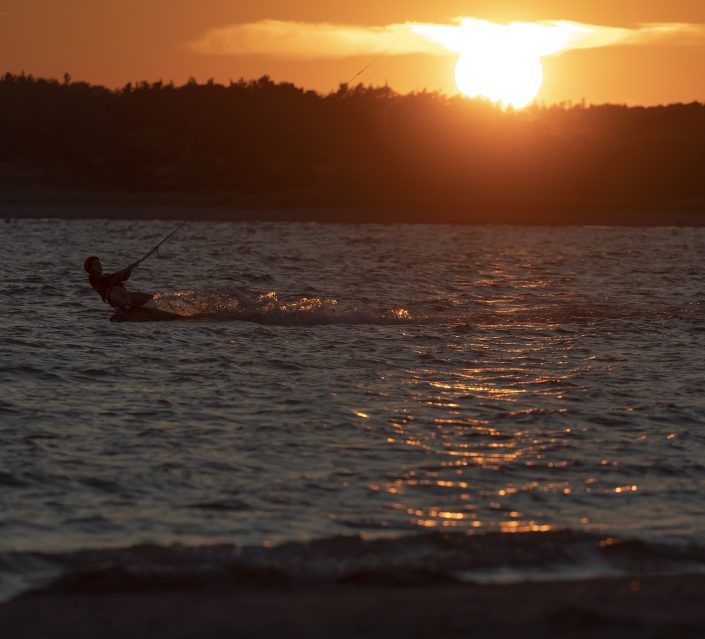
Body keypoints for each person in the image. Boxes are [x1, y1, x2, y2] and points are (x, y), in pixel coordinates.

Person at [83, 256, 154, 311]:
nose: (99, 266)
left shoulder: (106, 275)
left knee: (151, 298)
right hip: (113, 296)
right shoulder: (92, 278)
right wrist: (123, 270)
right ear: (90, 269)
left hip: (124, 294)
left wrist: (129, 270)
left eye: (99, 264)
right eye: (96, 265)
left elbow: (123, 278)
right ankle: (129, 308)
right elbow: (108, 278)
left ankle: (157, 306)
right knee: (126, 302)